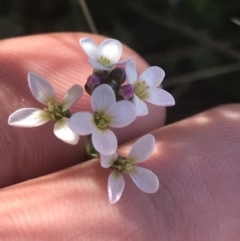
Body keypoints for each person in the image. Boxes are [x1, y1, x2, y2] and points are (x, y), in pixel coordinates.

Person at [0, 33, 239, 240]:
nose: (55, 110)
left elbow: (107, 132)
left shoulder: (111, 119)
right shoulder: (80, 119)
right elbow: (98, 119)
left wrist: (111, 155)